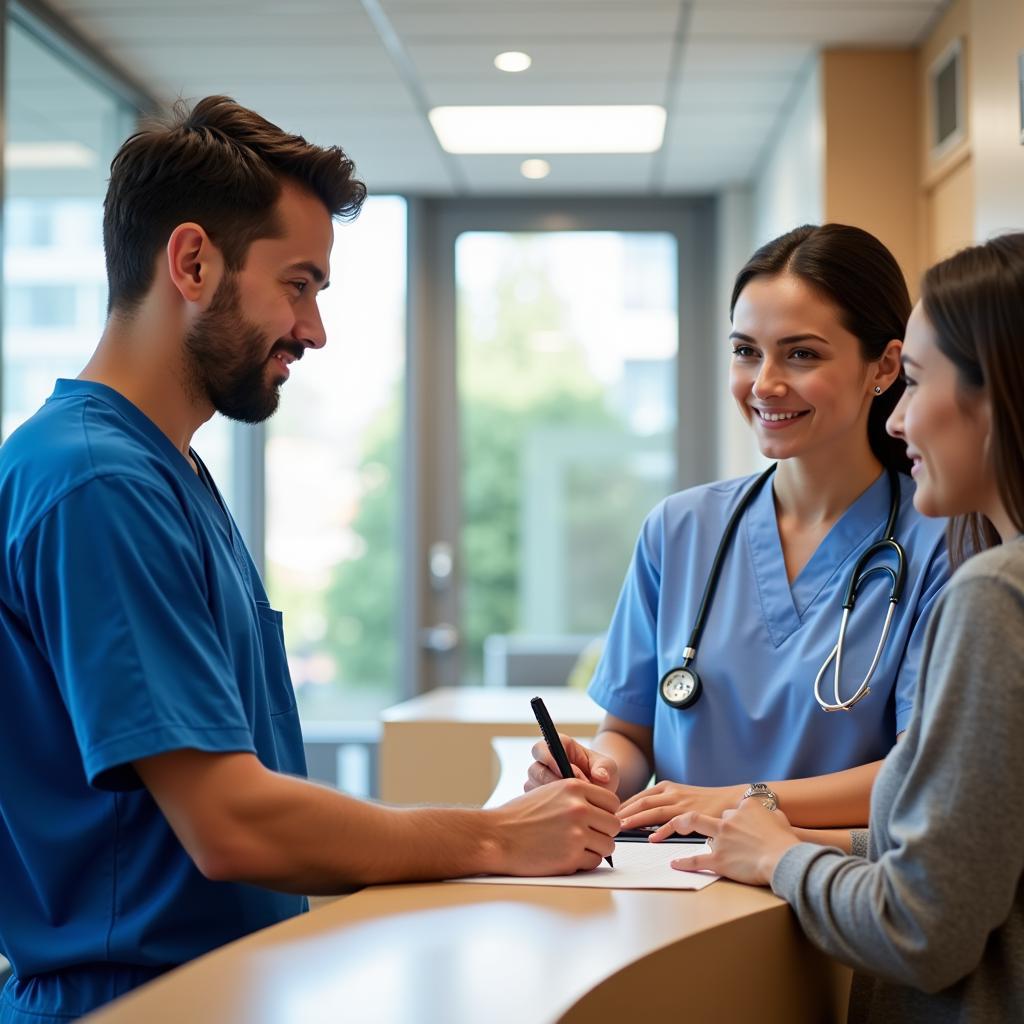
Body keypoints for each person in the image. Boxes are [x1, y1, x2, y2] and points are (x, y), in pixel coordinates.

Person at [0, 97, 620, 1024]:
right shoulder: (97, 482)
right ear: (194, 262)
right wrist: (492, 839)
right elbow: (231, 822)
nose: (315, 329)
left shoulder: (160, 471)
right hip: (127, 1001)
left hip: (208, 985)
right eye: (299, 285)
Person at [661, 232, 1024, 1021]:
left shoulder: (991, 587)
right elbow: (965, 848)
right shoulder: (683, 527)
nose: (901, 424)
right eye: (745, 351)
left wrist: (779, 848)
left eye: (918, 381)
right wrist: (770, 845)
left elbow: (925, 920)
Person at [526, 225, 950, 844]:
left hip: (834, 894)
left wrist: (737, 802)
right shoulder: (679, 530)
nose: (764, 383)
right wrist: (601, 773)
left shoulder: (941, 541)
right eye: (746, 350)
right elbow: (632, 732)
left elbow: (923, 771)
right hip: (668, 888)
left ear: (883, 366)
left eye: (801, 354)